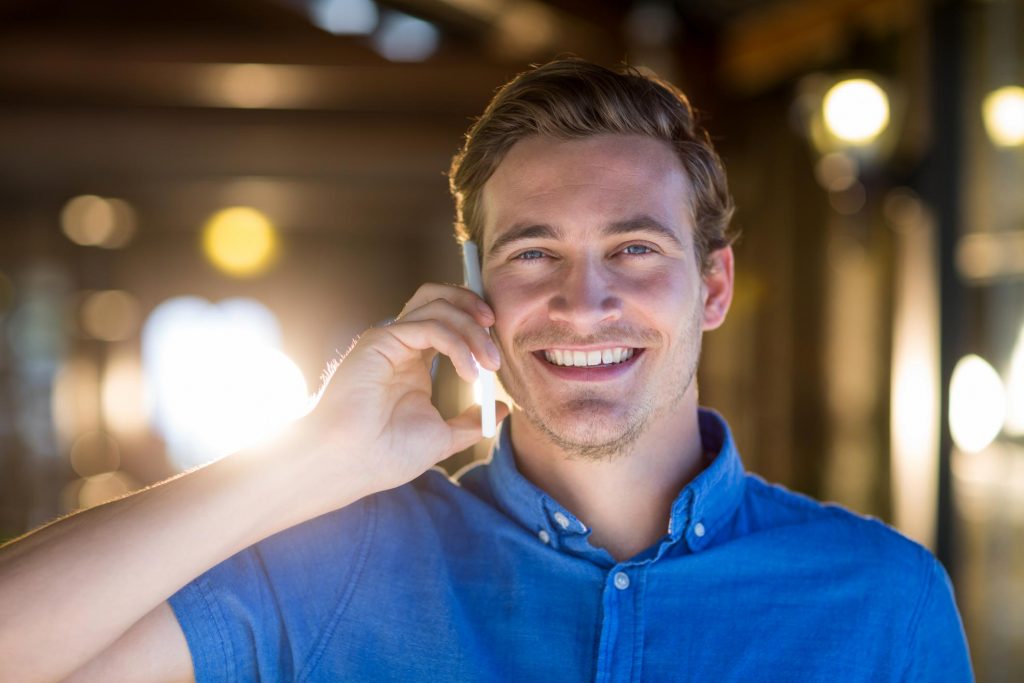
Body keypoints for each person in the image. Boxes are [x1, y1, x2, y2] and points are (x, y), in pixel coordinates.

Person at [0, 58, 971, 682]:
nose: (583, 302)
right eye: (532, 253)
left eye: (634, 250)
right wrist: (306, 457)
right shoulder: (336, 564)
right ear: (474, 290)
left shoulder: (884, 598)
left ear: (712, 287)